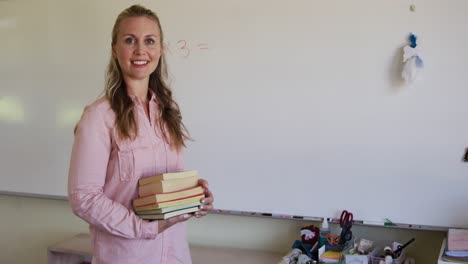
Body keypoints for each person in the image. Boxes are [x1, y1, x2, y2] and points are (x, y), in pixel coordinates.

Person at [68, 4, 214, 264]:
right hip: (126, 257)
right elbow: (84, 198)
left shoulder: (167, 113)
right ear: (115, 49)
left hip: (175, 255)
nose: (140, 50)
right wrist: (144, 227)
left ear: (160, 49)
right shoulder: (98, 117)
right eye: (129, 40)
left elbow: (163, 186)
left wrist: (193, 196)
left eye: (149, 41)